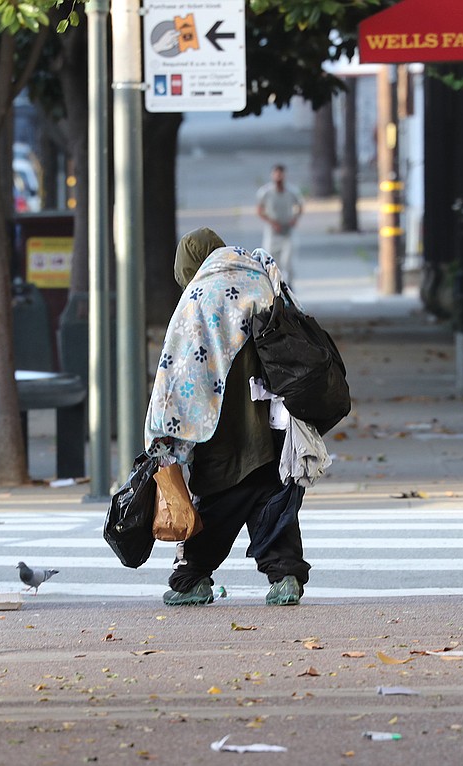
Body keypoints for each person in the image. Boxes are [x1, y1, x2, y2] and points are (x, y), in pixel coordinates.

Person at [144, 227, 311, 607]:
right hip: (273, 424)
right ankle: (285, 577)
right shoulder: (260, 277)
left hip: (221, 429)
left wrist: (168, 442)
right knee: (270, 496)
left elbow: (179, 376)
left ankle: (191, 579)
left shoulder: (199, 299)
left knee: (221, 499)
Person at [256, 164, 304, 283]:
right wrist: (271, 222)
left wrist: (294, 219)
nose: (279, 177)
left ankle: (289, 284)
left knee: (287, 260)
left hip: (287, 230)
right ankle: (273, 283)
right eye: (276, 174)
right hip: (272, 231)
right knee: (271, 260)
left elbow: (300, 206)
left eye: (281, 174)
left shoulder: (291, 191)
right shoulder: (266, 192)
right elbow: (260, 210)